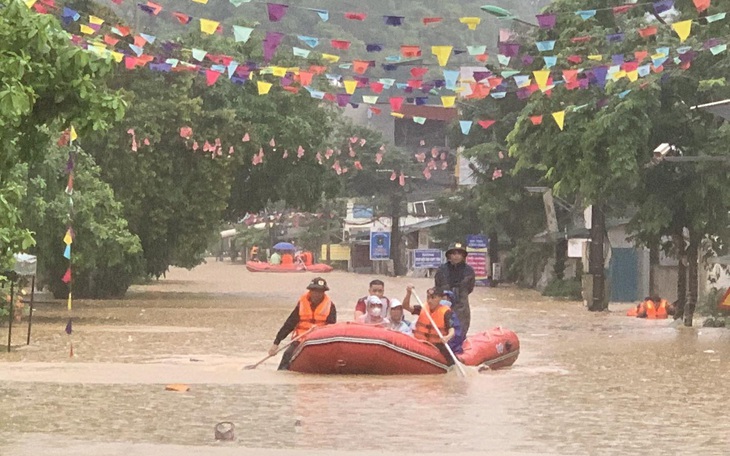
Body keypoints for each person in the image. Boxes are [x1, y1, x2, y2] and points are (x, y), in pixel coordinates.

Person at [268, 277, 336, 370]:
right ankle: (282, 373)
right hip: (300, 340)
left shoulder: (330, 306)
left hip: (319, 340)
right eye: (314, 290)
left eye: (320, 291)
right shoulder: (301, 304)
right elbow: (289, 324)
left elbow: (332, 328)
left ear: (324, 292)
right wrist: (276, 343)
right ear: (310, 291)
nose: (317, 294)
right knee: (287, 354)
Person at [401, 286, 456, 366]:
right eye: (428, 297)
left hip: (437, 345)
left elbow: (452, 330)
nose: (430, 301)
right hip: (421, 343)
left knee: (450, 363)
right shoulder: (422, 308)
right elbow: (406, 306)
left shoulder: (446, 313)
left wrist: (447, 337)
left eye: (433, 298)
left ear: (440, 298)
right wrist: (408, 293)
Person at [435, 242, 475, 336]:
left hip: (462, 306)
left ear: (463, 256)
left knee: (461, 331)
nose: (456, 256)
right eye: (453, 253)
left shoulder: (469, 271)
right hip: (444, 305)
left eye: (459, 253)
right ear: (449, 255)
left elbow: (470, 288)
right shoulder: (442, 270)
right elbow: (437, 287)